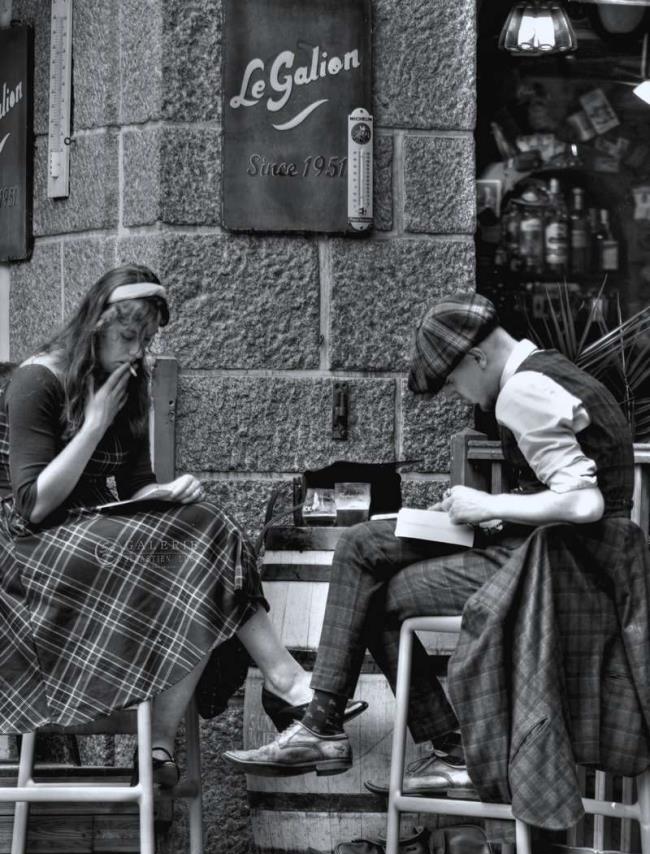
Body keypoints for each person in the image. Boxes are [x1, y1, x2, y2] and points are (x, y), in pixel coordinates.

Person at [223, 291, 637, 799]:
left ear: (477, 357)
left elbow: (583, 504)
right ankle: (346, 727)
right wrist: (477, 510)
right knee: (364, 547)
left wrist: (491, 507)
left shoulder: (522, 390)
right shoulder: (547, 374)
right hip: (558, 556)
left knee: (367, 577)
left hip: (560, 566)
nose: (461, 394)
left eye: (455, 379)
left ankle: (352, 728)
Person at [0, 264, 364, 786]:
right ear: (96, 325)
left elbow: (134, 490)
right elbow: (32, 504)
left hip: (93, 534)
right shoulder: (41, 379)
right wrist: (95, 423)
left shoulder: (128, 382)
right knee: (202, 540)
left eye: (145, 340)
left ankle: (162, 751)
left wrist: (163, 495)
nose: (135, 352)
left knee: (199, 549)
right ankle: (280, 685)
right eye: (128, 336)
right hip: (32, 555)